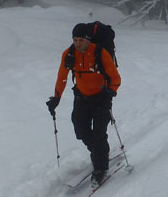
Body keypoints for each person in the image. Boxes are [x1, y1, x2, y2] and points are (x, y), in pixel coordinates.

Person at [47, 23, 121, 184]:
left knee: (99, 134)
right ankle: (99, 151)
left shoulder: (100, 53)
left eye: (81, 40)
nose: (77, 43)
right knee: (81, 131)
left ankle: (100, 167)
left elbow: (115, 77)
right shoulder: (69, 54)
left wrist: (112, 90)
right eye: (74, 39)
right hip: (81, 98)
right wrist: (56, 98)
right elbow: (62, 77)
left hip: (102, 98)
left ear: (88, 40)